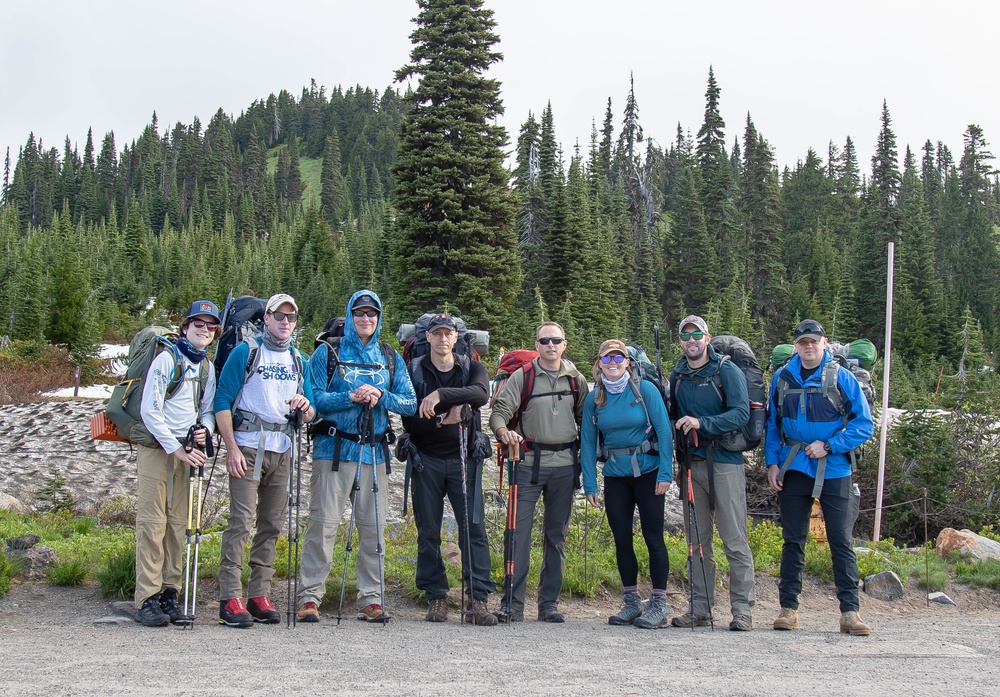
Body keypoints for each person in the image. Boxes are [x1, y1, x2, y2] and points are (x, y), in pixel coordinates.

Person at [296, 290, 416, 623]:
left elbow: (410, 402)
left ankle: (371, 598)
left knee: (373, 529)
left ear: (379, 318)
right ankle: (309, 597)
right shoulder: (327, 353)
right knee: (322, 525)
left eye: (372, 314)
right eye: (360, 313)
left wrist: (381, 395)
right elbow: (315, 399)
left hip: (375, 453)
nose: (366, 319)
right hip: (332, 449)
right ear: (350, 315)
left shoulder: (390, 356)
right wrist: (351, 397)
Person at [766, 319, 874, 636]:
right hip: (795, 466)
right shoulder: (781, 378)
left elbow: (863, 425)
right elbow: (774, 424)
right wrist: (772, 463)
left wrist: (829, 445)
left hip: (835, 468)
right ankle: (788, 610)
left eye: (814, 341)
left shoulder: (842, 378)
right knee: (793, 541)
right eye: (803, 342)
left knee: (841, 541)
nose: (808, 346)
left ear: (824, 343)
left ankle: (850, 613)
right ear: (796, 346)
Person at [215, 293, 314, 628]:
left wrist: (305, 407)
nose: (285, 322)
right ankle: (230, 596)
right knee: (241, 522)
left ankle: (259, 594)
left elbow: (312, 411)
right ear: (266, 318)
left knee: (271, 524)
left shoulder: (300, 360)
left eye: (291, 317)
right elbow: (222, 401)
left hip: (282, 448)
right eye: (278, 316)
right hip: (246, 446)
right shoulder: (246, 352)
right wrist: (230, 447)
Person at [489, 321, 589, 623]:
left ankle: (549, 605)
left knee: (556, 536)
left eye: (555, 340)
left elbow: (587, 421)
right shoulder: (523, 376)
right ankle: (513, 604)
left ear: (564, 344)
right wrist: (503, 432)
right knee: (516, 535)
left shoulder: (576, 380)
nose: (550, 346)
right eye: (544, 341)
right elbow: (499, 413)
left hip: (565, 467)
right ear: (537, 345)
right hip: (528, 466)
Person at [402, 314, 496, 625]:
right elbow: (410, 421)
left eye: (448, 333)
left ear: (456, 338)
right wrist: (446, 418)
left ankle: (477, 598)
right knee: (428, 530)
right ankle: (436, 596)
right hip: (425, 459)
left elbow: (481, 394)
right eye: (437, 333)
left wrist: (440, 396)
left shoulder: (471, 366)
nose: (443, 338)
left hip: (464, 458)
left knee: (473, 528)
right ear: (426, 338)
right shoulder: (414, 370)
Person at [133, 300, 220, 627]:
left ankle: (170, 592)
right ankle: (147, 597)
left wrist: (204, 431)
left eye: (210, 325)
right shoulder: (166, 359)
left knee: (177, 523)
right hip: (158, 448)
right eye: (198, 322)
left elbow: (208, 410)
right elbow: (149, 411)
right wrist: (175, 448)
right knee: (152, 522)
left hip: (186, 450)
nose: (204, 329)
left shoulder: (207, 368)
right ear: (185, 327)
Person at [669, 315, 756, 631]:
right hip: (691, 465)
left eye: (697, 334)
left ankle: (742, 611)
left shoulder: (726, 371)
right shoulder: (678, 376)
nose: (691, 340)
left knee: (734, 539)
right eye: (686, 335)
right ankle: (701, 608)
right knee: (697, 542)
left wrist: (702, 423)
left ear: (707, 337)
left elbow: (741, 413)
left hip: (724, 462)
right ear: (680, 341)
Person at [581, 340, 673, 629]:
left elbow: (664, 431)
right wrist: (590, 484)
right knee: (622, 538)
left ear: (628, 362)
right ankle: (631, 602)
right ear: (599, 363)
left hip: (648, 471)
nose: (613, 362)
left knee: (653, 537)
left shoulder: (646, 390)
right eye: (607, 358)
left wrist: (665, 474)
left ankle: (658, 603)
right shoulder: (594, 398)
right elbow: (586, 441)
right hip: (615, 474)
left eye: (618, 357)